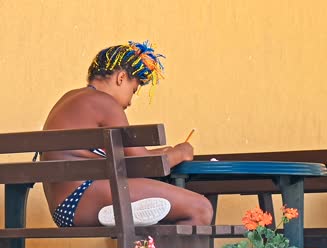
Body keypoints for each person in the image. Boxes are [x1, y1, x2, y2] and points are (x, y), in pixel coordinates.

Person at [39, 40, 213, 227]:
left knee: (158, 213)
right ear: (121, 78)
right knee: (200, 207)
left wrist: (162, 153)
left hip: (65, 206)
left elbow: (124, 159)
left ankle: (132, 230)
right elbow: (145, 165)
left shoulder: (72, 98)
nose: (129, 102)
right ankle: (145, 247)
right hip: (83, 197)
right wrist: (181, 151)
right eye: (133, 90)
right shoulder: (105, 102)